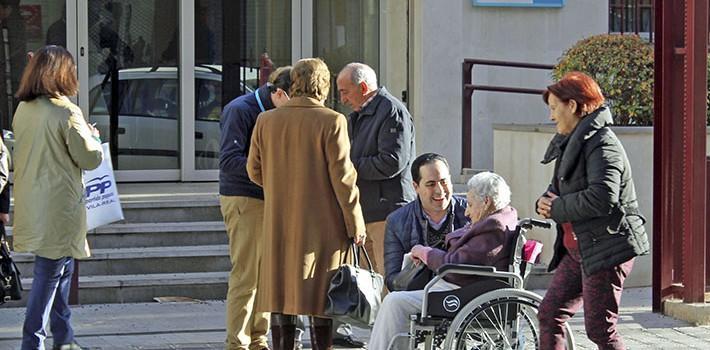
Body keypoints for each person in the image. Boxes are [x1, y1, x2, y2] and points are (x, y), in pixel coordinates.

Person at [247, 58, 366, 350]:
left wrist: (281, 187)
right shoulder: (332, 121)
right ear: (324, 85)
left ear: (294, 83)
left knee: (281, 296)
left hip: (280, 223)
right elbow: (344, 180)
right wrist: (356, 224)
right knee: (321, 297)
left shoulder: (267, 120)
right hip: (324, 225)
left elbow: (253, 170)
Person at [536, 71, 649, 350]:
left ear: (572, 106)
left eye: (554, 108)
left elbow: (602, 197)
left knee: (600, 330)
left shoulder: (603, 143)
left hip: (606, 249)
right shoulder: (570, 142)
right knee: (550, 314)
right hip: (579, 250)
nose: (551, 116)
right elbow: (557, 192)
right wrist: (544, 202)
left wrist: (557, 208)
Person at [12, 45, 103, 350]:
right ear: (62, 73)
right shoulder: (66, 111)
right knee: (50, 275)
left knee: (61, 271)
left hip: (32, 202)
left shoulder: (24, 109)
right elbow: (90, 158)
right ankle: (33, 342)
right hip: (59, 206)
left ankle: (64, 338)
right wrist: (94, 136)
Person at [369, 171, 518, 350]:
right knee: (400, 297)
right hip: (468, 285)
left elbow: (455, 266)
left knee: (394, 302)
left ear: (486, 202)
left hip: (465, 290)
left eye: (470, 205)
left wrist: (425, 252)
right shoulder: (502, 216)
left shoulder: (494, 227)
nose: (468, 212)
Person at [219, 66, 291, 350]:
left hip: (267, 197)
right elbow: (228, 161)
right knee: (246, 275)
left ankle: (258, 339)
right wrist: (269, 170)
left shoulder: (276, 113)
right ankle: (237, 343)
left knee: (265, 275)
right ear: (280, 93)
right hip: (244, 198)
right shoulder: (241, 110)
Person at [336, 62, 416, 277]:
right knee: (368, 283)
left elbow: (392, 162)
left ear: (363, 88)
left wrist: (348, 167)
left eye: (345, 92)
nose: (342, 100)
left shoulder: (391, 110)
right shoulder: (359, 115)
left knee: (389, 280)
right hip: (366, 212)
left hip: (387, 212)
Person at [383, 153, 469, 292]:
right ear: (416, 187)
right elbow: (392, 280)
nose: (439, 190)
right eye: (431, 184)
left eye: (443, 181)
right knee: (393, 302)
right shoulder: (397, 221)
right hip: (420, 294)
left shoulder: (471, 212)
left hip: (463, 291)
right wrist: (414, 268)